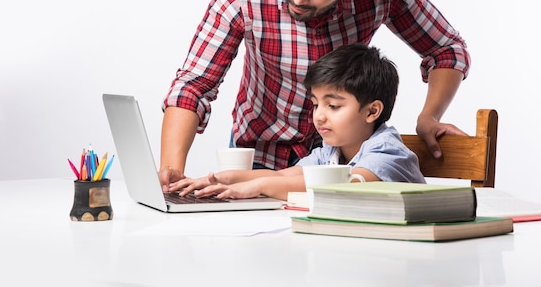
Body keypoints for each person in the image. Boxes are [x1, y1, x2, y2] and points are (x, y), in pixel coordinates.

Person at [159, 0, 469, 189]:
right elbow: (194, 85)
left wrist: (429, 116)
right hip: (262, 153)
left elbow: (446, 49)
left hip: (343, 158)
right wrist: (171, 173)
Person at [169, 44, 426, 201]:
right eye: (315, 104)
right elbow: (284, 175)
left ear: (372, 112)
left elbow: (343, 186)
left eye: (333, 105)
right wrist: (221, 179)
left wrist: (258, 186)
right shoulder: (331, 152)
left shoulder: (387, 150)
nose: (319, 115)